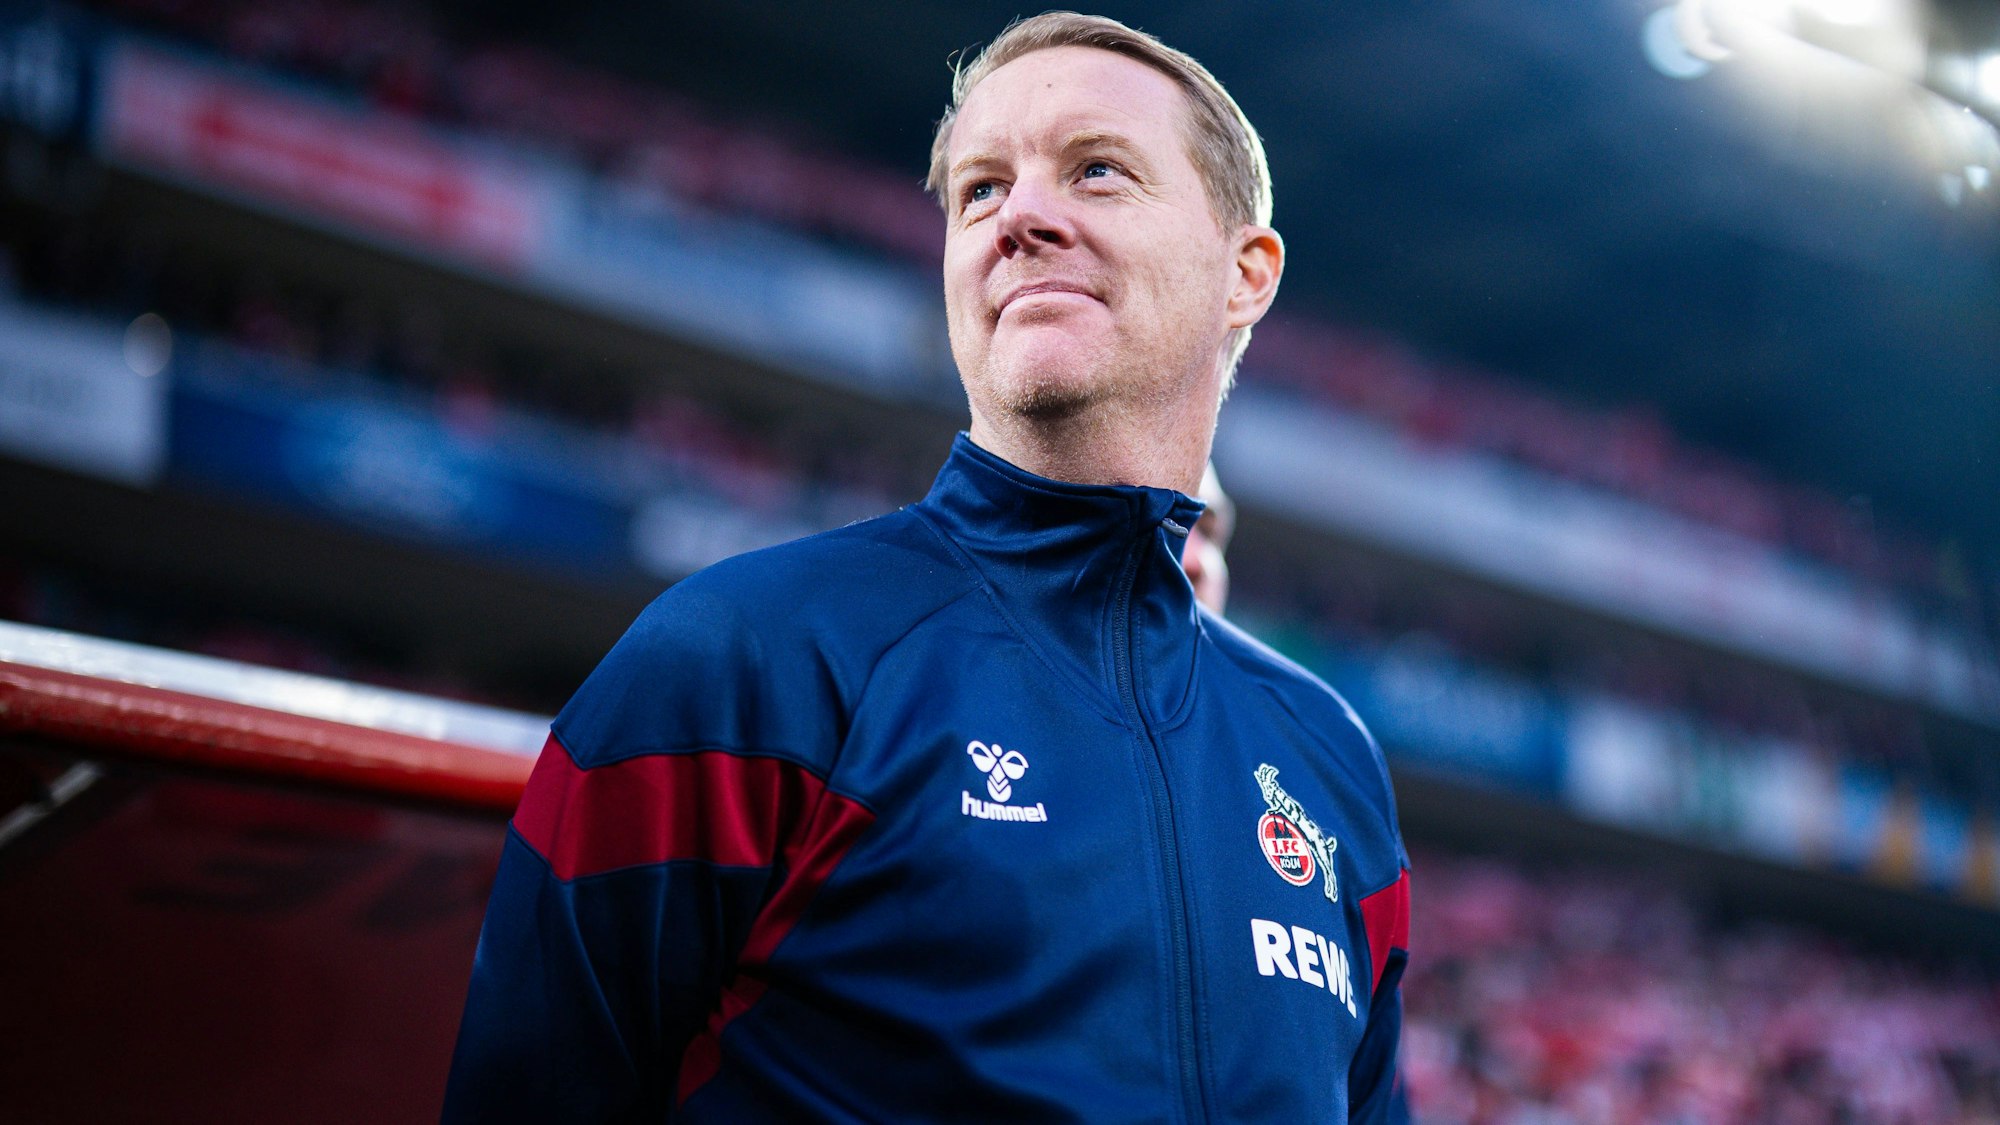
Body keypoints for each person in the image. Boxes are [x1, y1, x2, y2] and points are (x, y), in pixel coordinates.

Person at [444, 13, 1410, 1123]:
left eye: (1095, 170)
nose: (1021, 218)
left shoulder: (1327, 758)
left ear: (1245, 273)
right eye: (979, 191)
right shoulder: (739, 658)